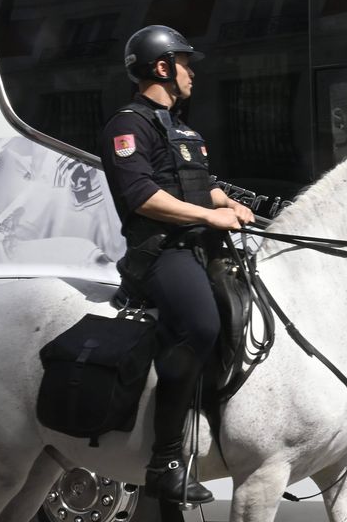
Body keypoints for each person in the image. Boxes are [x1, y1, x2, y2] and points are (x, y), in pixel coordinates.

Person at [100, 25, 256, 504]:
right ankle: (165, 460)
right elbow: (143, 196)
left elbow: (196, 184)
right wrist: (212, 214)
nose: (193, 73)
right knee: (200, 324)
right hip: (160, 253)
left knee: (247, 313)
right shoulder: (128, 125)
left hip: (197, 247)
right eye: (187, 64)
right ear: (163, 68)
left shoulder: (183, 129)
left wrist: (230, 201)